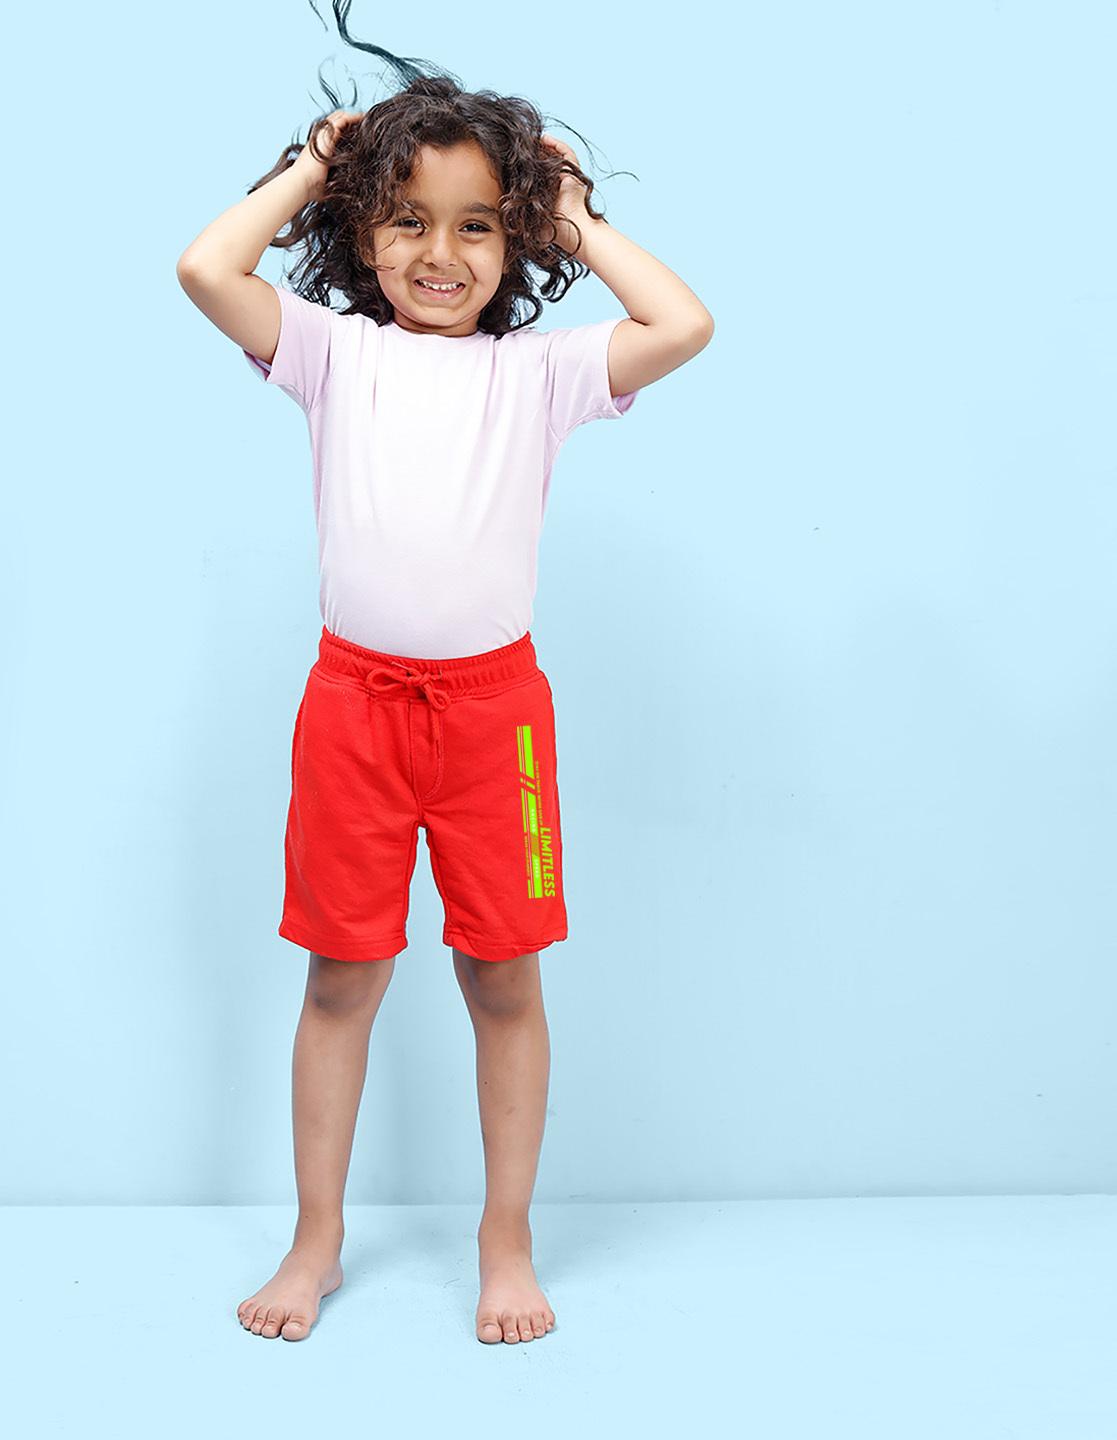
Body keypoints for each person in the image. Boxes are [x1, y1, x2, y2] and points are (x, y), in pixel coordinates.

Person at [176, 74, 713, 1345]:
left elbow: (682, 322)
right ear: (363, 228)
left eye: (478, 224)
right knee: (340, 977)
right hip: (353, 708)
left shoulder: (539, 375)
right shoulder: (332, 353)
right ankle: (316, 1240)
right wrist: (315, 165)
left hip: (494, 721)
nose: (441, 252)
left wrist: (572, 214)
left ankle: (504, 1239)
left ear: (514, 237)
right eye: (408, 218)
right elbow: (206, 268)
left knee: (504, 977)